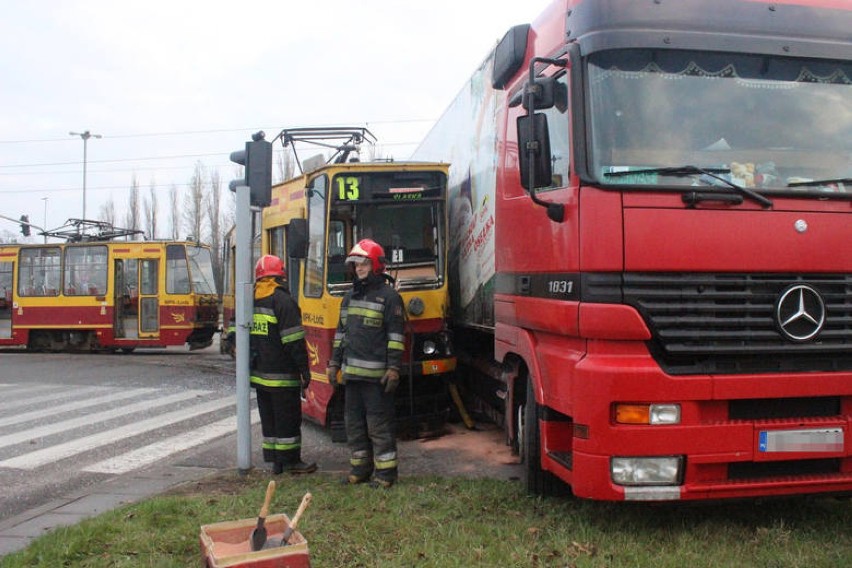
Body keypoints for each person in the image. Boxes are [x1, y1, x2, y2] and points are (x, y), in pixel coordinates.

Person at [327, 239, 405, 488]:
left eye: (363, 263)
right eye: (356, 264)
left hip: (376, 379)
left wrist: (393, 369)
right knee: (355, 426)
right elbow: (341, 334)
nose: (359, 268)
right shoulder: (348, 298)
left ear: (375, 266)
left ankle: (385, 475)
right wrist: (333, 364)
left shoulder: (390, 298)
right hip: (352, 378)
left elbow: (395, 338)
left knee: (378, 427)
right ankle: (359, 470)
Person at [250, 255, 317, 475]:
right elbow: (294, 341)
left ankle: (275, 461)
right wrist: (304, 369)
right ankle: (290, 461)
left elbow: (238, 334)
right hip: (283, 375)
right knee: (287, 419)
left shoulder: (252, 299)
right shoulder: (283, 301)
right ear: (281, 275)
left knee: (269, 420)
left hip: (260, 375)